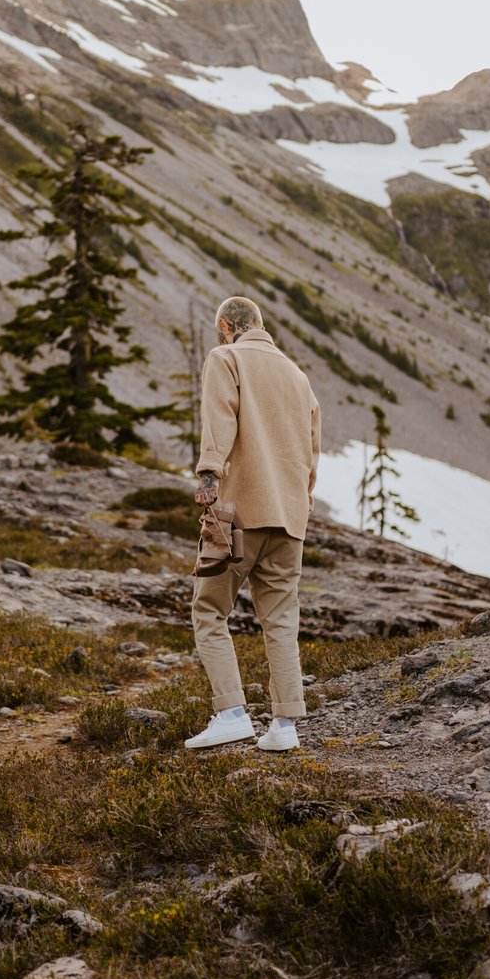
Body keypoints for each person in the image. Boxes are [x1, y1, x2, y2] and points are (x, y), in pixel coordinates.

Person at [185, 296, 321, 753]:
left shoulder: (225, 358)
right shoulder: (298, 377)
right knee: (280, 621)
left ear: (226, 325)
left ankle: (231, 713)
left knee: (209, 610)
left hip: (238, 515)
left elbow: (220, 420)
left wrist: (208, 476)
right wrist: (303, 501)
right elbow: (312, 450)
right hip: (290, 518)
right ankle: (284, 727)